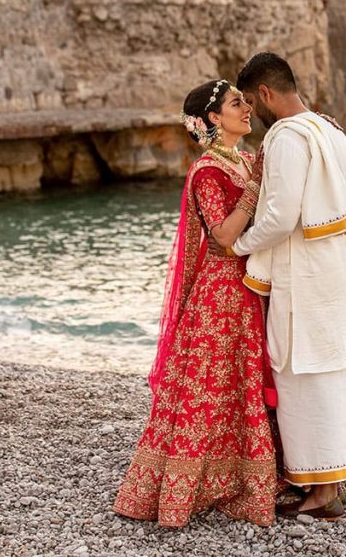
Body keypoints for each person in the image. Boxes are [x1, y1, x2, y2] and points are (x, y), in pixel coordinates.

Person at [113, 79, 277, 527]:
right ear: (211, 119)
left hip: (251, 287)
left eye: (244, 101)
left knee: (240, 386)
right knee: (207, 391)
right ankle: (184, 488)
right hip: (221, 293)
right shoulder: (207, 170)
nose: (246, 108)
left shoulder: (243, 160)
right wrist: (256, 185)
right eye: (235, 103)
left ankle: (241, 480)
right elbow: (224, 238)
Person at [229, 52, 346, 521]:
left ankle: (320, 493)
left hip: (304, 276)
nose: (255, 112)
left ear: (266, 93)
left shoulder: (288, 137)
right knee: (331, 369)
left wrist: (239, 247)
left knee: (301, 373)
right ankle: (330, 478)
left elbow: (280, 216)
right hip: (336, 271)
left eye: (253, 101)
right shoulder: (330, 129)